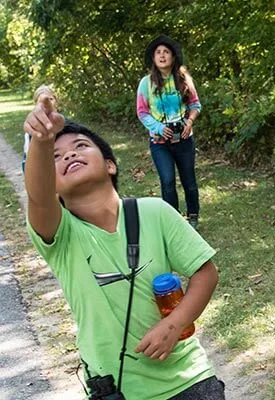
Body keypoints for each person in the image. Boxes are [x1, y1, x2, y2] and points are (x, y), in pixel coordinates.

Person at [23, 98, 225, 399]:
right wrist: (41, 140)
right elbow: (38, 197)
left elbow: (205, 273)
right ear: (50, 183)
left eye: (80, 146)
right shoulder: (60, 236)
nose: (69, 155)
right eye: (56, 156)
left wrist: (174, 324)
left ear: (109, 164)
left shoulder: (155, 212)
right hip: (119, 390)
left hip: (189, 380)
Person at [136, 34, 202, 229]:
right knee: (167, 181)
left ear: (173, 57)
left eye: (166, 52)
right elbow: (142, 112)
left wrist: (189, 121)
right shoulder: (146, 83)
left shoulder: (183, 79)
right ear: (153, 59)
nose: (162, 55)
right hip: (159, 142)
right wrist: (158, 127)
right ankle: (173, 222)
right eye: (158, 52)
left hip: (184, 139)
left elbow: (195, 104)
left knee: (189, 180)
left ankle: (193, 215)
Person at [22, 85, 58, 171]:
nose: (47, 103)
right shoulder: (32, 127)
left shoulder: (65, 123)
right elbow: (28, 155)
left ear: (56, 101)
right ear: (36, 104)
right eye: (40, 101)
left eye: (50, 99)